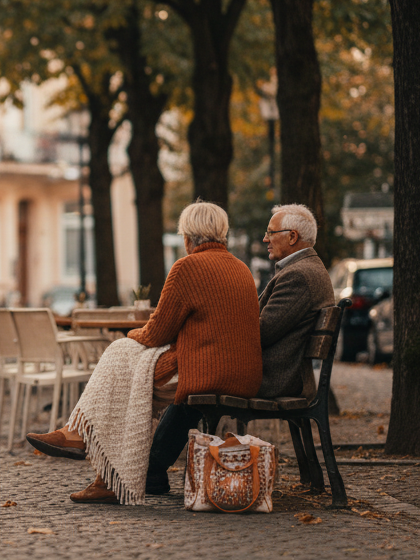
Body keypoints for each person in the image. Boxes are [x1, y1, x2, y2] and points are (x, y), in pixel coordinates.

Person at [26, 201, 263, 504]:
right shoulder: (241, 268)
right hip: (243, 372)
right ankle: (97, 459)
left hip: (206, 369)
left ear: (187, 236)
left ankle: (88, 446)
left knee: (125, 361)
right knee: (130, 371)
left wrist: (131, 335)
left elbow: (156, 333)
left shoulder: (188, 267)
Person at [139, 203, 336, 496]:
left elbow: (259, 331)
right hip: (279, 369)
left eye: (271, 233)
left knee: (198, 383)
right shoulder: (303, 269)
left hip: (275, 375)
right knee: (193, 380)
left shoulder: (299, 276)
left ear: (292, 236)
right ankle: (150, 469)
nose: (266, 238)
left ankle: (150, 470)